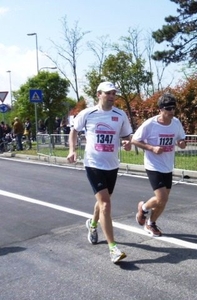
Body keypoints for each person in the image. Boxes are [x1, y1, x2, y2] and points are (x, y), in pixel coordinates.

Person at [67, 81, 133, 263]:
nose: (111, 96)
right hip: (93, 164)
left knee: (103, 201)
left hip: (112, 165)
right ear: (99, 94)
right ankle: (113, 248)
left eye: (113, 93)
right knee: (105, 204)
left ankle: (92, 224)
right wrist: (72, 150)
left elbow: (127, 136)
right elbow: (74, 131)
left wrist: (128, 143)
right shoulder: (87, 113)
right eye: (108, 93)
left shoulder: (120, 115)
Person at [131, 93, 186, 237]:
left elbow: (182, 140)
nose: (171, 112)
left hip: (168, 166)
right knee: (162, 198)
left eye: (173, 108)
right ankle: (143, 209)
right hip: (153, 165)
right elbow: (135, 140)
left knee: (163, 201)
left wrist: (181, 143)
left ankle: (151, 222)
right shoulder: (150, 124)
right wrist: (152, 148)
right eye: (168, 108)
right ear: (160, 109)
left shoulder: (176, 123)